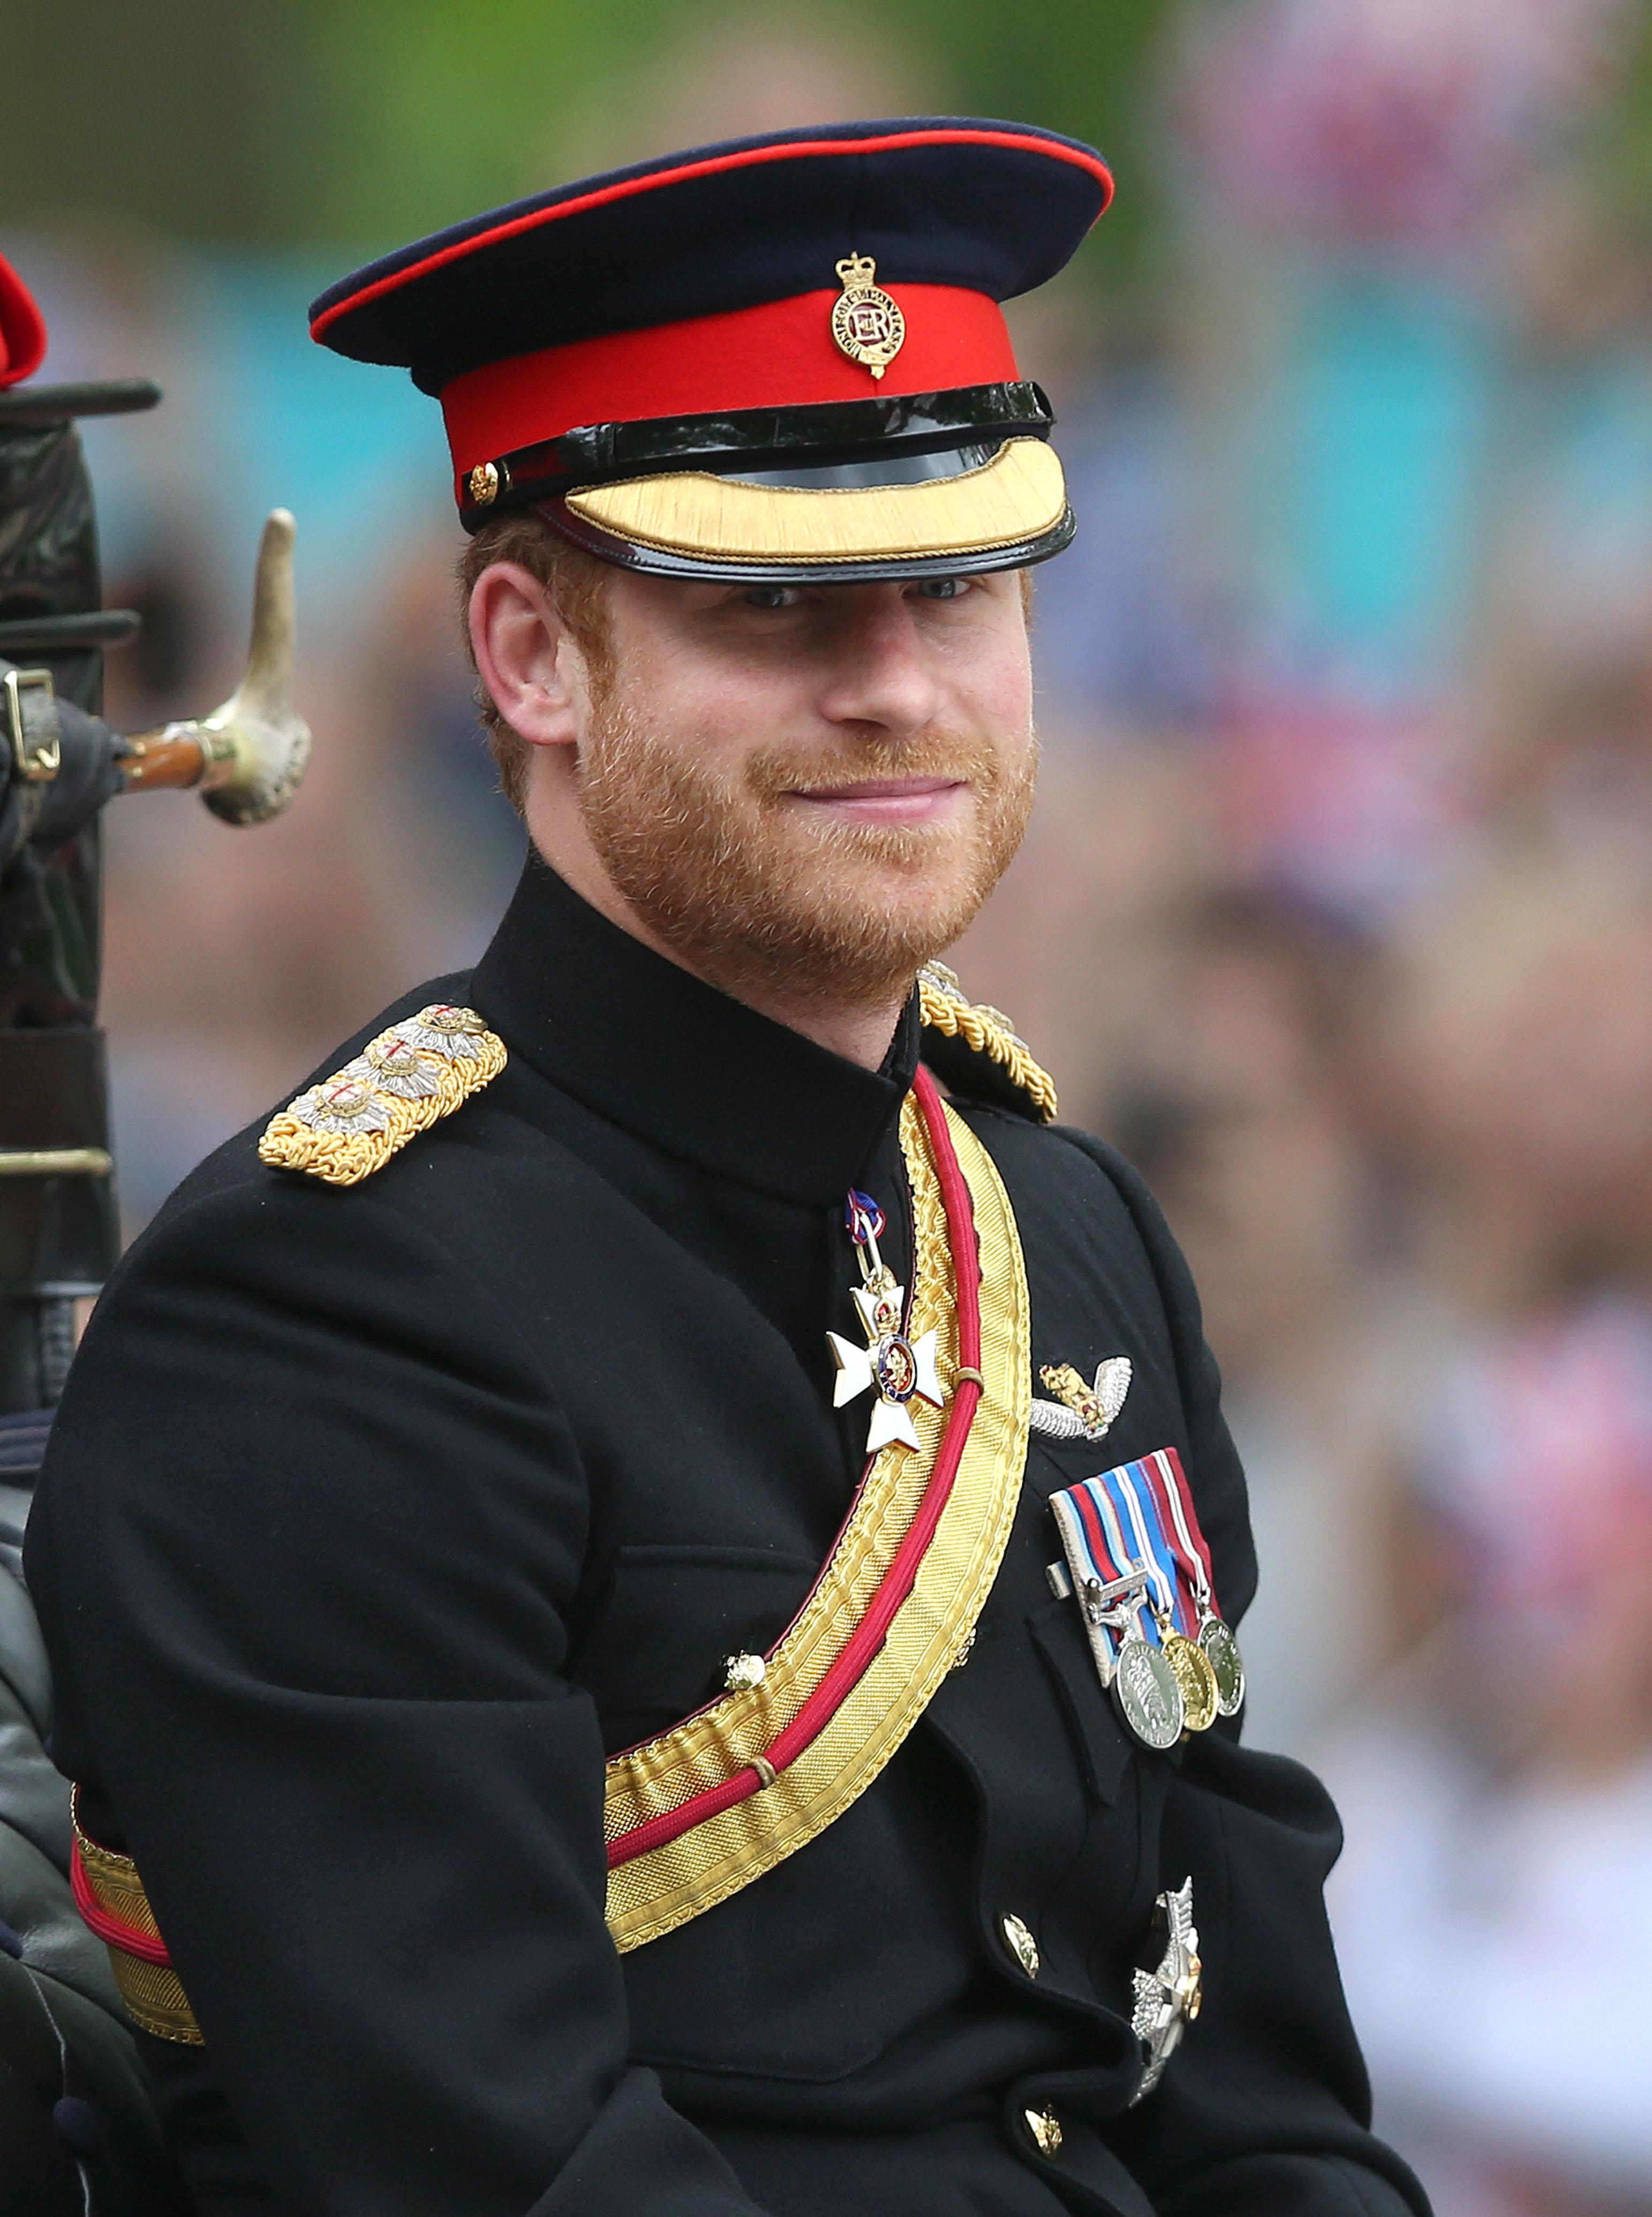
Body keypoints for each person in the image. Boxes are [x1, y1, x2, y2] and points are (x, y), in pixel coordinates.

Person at [24, 119, 1428, 2216]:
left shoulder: (1066, 1233)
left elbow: (1268, 2111)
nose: (895, 685)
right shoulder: (320, 1317)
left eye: (960, 585)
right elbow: (503, 2171)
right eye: (773, 603)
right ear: (524, 654)